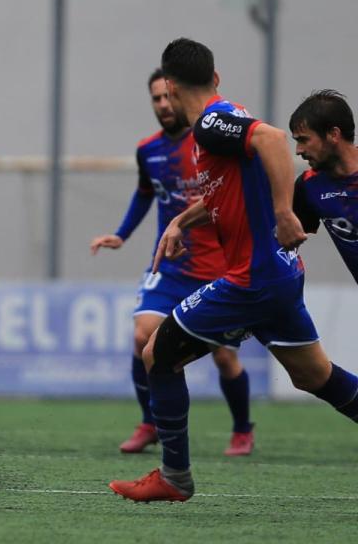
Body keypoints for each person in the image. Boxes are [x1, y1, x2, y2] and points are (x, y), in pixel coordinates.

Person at [109, 38, 358, 502]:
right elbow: (232, 189)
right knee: (314, 376)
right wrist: (182, 220)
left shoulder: (208, 124)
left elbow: (271, 139)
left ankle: (174, 477)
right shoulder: (227, 113)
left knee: (156, 355)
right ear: (216, 78)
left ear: (172, 87)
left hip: (253, 278)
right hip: (279, 275)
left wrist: (285, 212)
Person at [90, 69, 254, 456]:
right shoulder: (148, 149)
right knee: (141, 336)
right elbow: (145, 193)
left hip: (218, 269)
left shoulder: (211, 142)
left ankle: (242, 428)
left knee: (224, 356)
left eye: (168, 97)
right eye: (156, 99)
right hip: (170, 267)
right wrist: (122, 233)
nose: (163, 105)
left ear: (181, 96)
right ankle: (151, 422)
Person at [291, 90, 358, 282]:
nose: (298, 151)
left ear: (333, 134)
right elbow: (284, 240)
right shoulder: (309, 186)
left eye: (304, 139)